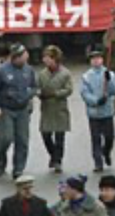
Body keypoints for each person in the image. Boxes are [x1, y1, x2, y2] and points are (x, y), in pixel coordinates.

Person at [0, 43, 38, 179]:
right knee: (6, 138)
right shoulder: (1, 71)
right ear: (15, 58)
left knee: (22, 140)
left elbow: (34, 86)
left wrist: (30, 94)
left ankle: (18, 168)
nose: (26, 58)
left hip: (23, 109)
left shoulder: (29, 70)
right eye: (23, 56)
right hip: (7, 109)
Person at [81, 50, 115, 172]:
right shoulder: (86, 76)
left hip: (107, 112)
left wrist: (110, 82)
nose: (96, 61)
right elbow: (84, 93)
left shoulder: (110, 74)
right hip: (94, 113)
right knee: (95, 138)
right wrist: (96, 101)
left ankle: (106, 151)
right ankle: (98, 162)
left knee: (109, 137)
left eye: (98, 58)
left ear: (102, 60)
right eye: (93, 59)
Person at [39, 45, 75, 173]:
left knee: (60, 136)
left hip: (60, 108)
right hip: (47, 108)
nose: (45, 60)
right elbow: (36, 87)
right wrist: (40, 93)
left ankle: (58, 160)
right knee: (45, 135)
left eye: (48, 58)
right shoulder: (42, 74)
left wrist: (56, 93)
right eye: (44, 58)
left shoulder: (65, 73)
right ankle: (52, 154)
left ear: (55, 59)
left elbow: (69, 89)